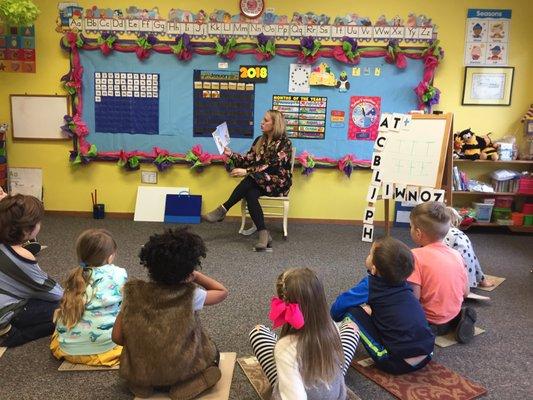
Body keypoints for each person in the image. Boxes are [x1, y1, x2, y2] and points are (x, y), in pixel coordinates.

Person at [112, 228, 228, 399]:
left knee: (139, 360)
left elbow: (117, 337)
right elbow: (222, 292)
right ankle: (190, 384)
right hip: (181, 372)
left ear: (149, 265)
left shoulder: (131, 293)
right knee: (213, 352)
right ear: (189, 270)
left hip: (143, 372)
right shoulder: (191, 295)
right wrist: (195, 276)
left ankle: (141, 385)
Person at [249, 268, 359, 400]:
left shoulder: (285, 348)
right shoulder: (332, 327)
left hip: (300, 384)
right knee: (350, 327)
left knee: (258, 331)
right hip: (335, 393)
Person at [331, 237, 434, 375]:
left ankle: (339, 368)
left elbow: (337, 308)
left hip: (395, 362)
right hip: (427, 353)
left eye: (370, 254)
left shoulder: (370, 285)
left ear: (374, 269)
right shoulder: (404, 283)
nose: (368, 256)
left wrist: (341, 319)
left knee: (352, 313)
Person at [203, 109, 293, 251]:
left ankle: (223, 209)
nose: (261, 122)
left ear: (275, 124)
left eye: (266, 120)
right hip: (259, 180)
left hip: (278, 181)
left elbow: (271, 165)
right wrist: (230, 153)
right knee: (250, 193)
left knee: (250, 179)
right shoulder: (259, 140)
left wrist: (247, 171)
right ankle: (264, 234)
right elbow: (248, 160)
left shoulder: (285, 143)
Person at [50, 229, 126, 366]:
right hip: (105, 350)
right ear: (110, 257)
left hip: (68, 350)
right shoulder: (119, 274)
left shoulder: (74, 276)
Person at [408, 201, 477, 343]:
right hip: (453, 311)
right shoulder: (456, 254)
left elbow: (414, 298)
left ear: (418, 233)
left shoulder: (414, 255)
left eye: (411, 227)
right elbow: (465, 292)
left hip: (429, 318)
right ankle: (458, 320)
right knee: (448, 309)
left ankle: (430, 331)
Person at [0, 194, 63, 347]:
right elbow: (55, 293)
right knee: (68, 309)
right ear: (28, 229)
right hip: (5, 320)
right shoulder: (21, 256)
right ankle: (10, 335)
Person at [444, 207, 494, 289]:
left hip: (456, 284)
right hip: (469, 281)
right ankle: (482, 281)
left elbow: (440, 255)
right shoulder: (461, 235)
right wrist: (483, 280)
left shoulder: (445, 234)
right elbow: (474, 259)